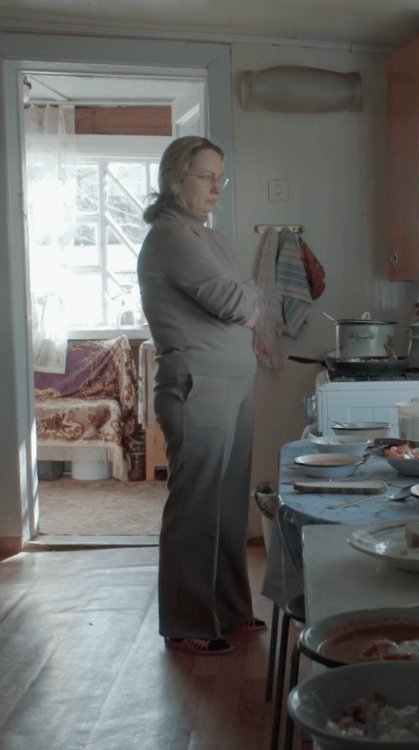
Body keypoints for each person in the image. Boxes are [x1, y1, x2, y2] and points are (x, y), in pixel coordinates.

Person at [138, 136, 266, 655]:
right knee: (196, 505)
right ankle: (186, 622)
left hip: (233, 381)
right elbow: (238, 301)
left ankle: (230, 610)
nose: (217, 187)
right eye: (206, 176)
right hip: (198, 382)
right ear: (175, 180)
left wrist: (250, 296)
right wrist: (250, 297)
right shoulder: (170, 237)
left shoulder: (209, 237)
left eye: (221, 177)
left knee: (228, 503)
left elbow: (248, 294)